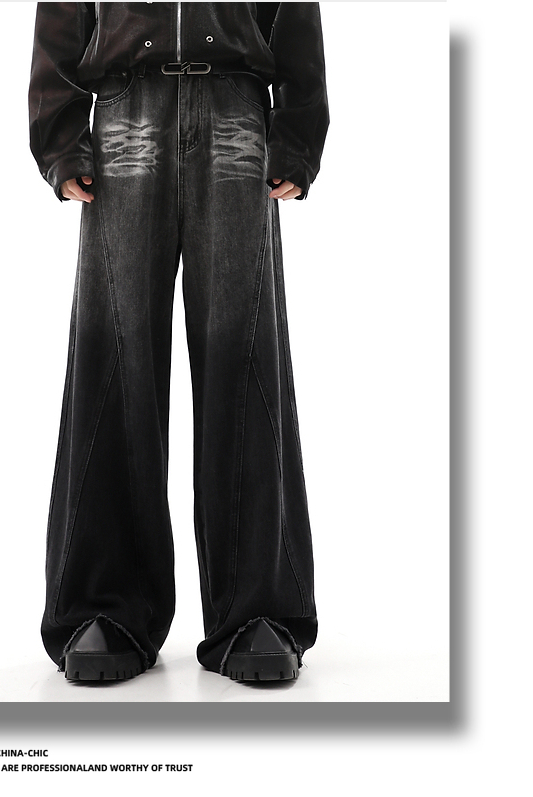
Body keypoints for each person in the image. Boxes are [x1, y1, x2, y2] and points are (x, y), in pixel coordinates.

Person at [28, 2, 329, 682]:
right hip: (124, 111)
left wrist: (298, 134)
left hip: (237, 111)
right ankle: (104, 609)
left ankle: (258, 612)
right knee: (114, 356)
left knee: (245, 354)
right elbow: (61, 14)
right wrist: (60, 137)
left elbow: (295, 12)